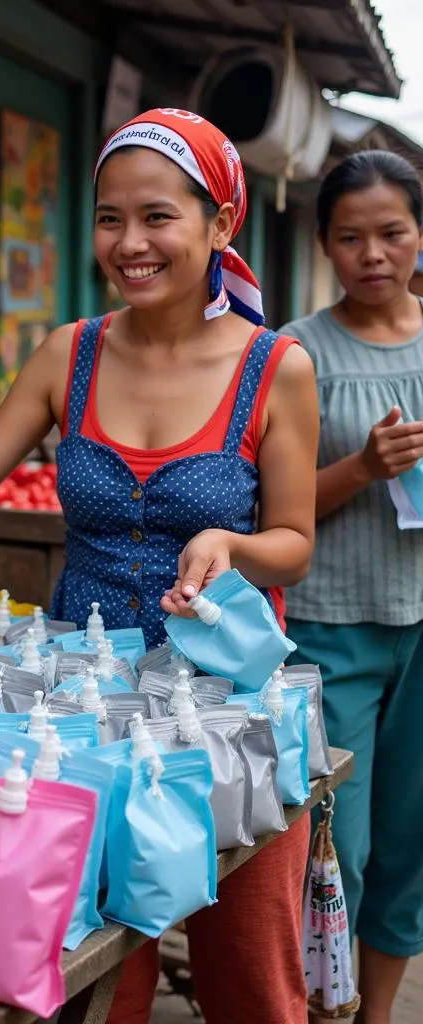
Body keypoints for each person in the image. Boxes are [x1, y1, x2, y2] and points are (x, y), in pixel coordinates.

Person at [0, 108, 319, 1022]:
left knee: (249, 975)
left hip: (226, 711)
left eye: (158, 216)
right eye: (110, 218)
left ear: (219, 225)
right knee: (84, 969)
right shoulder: (70, 353)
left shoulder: (277, 368)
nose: (131, 242)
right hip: (76, 710)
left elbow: (295, 542)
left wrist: (231, 545)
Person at [282, 151, 423, 1024]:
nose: (373, 253)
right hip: (331, 633)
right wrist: (365, 467)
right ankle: (312, 1006)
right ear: (325, 244)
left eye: (392, 233)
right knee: (341, 849)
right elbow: (278, 506)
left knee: (409, 850)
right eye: (351, 237)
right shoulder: (297, 352)